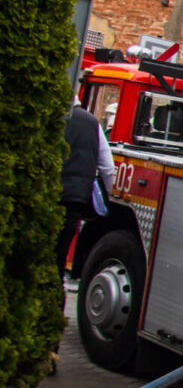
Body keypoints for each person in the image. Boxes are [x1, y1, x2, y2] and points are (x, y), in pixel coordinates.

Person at [58, 103, 114, 285]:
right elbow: (107, 167)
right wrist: (107, 196)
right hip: (75, 199)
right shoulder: (92, 123)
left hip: (49, 193)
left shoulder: (52, 114)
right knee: (59, 253)